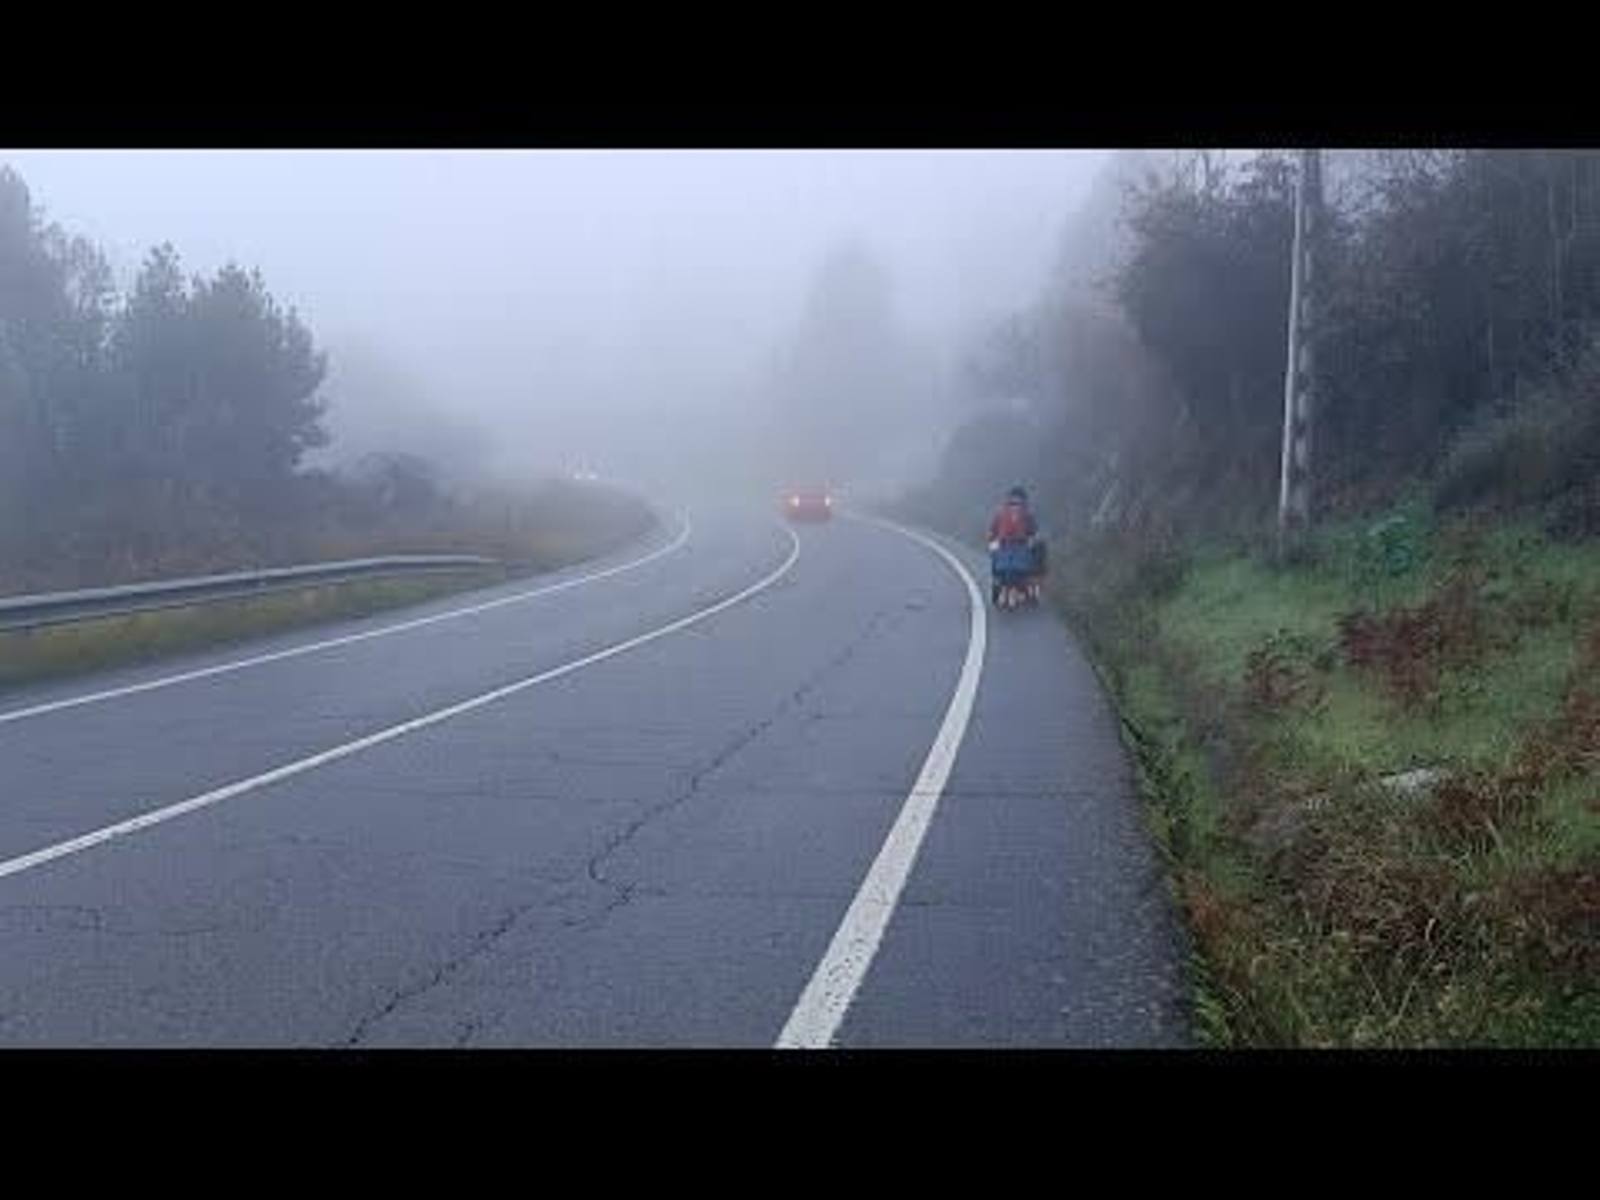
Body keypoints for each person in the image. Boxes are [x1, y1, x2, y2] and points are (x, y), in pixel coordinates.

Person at [988, 485, 1042, 604]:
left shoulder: (1027, 516)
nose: (1015, 505)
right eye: (1013, 502)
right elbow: (993, 531)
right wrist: (993, 541)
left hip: (1019, 547)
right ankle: (999, 584)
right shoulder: (1002, 514)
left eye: (1018, 502)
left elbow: (1035, 532)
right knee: (996, 558)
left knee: (1028, 561)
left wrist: (1032, 540)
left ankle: (1023, 588)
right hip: (1006, 546)